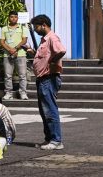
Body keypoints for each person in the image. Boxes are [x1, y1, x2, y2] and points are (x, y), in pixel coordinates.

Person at [28, 14, 66, 150]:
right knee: (44, 111)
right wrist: (32, 52)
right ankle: (49, 139)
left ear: (44, 25)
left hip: (49, 78)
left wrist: (52, 61)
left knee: (50, 110)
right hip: (42, 79)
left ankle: (56, 140)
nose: (35, 30)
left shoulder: (52, 38)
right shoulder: (44, 40)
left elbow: (61, 50)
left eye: (36, 27)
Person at [0, 10, 30, 100]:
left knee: (22, 75)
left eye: (15, 17)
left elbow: (24, 40)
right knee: (7, 75)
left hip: (20, 54)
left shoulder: (23, 28)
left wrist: (15, 49)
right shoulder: (4, 29)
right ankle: (8, 93)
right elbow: (2, 42)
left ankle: (23, 93)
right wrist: (10, 50)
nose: (14, 18)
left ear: (18, 18)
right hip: (7, 55)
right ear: (9, 18)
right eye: (12, 17)